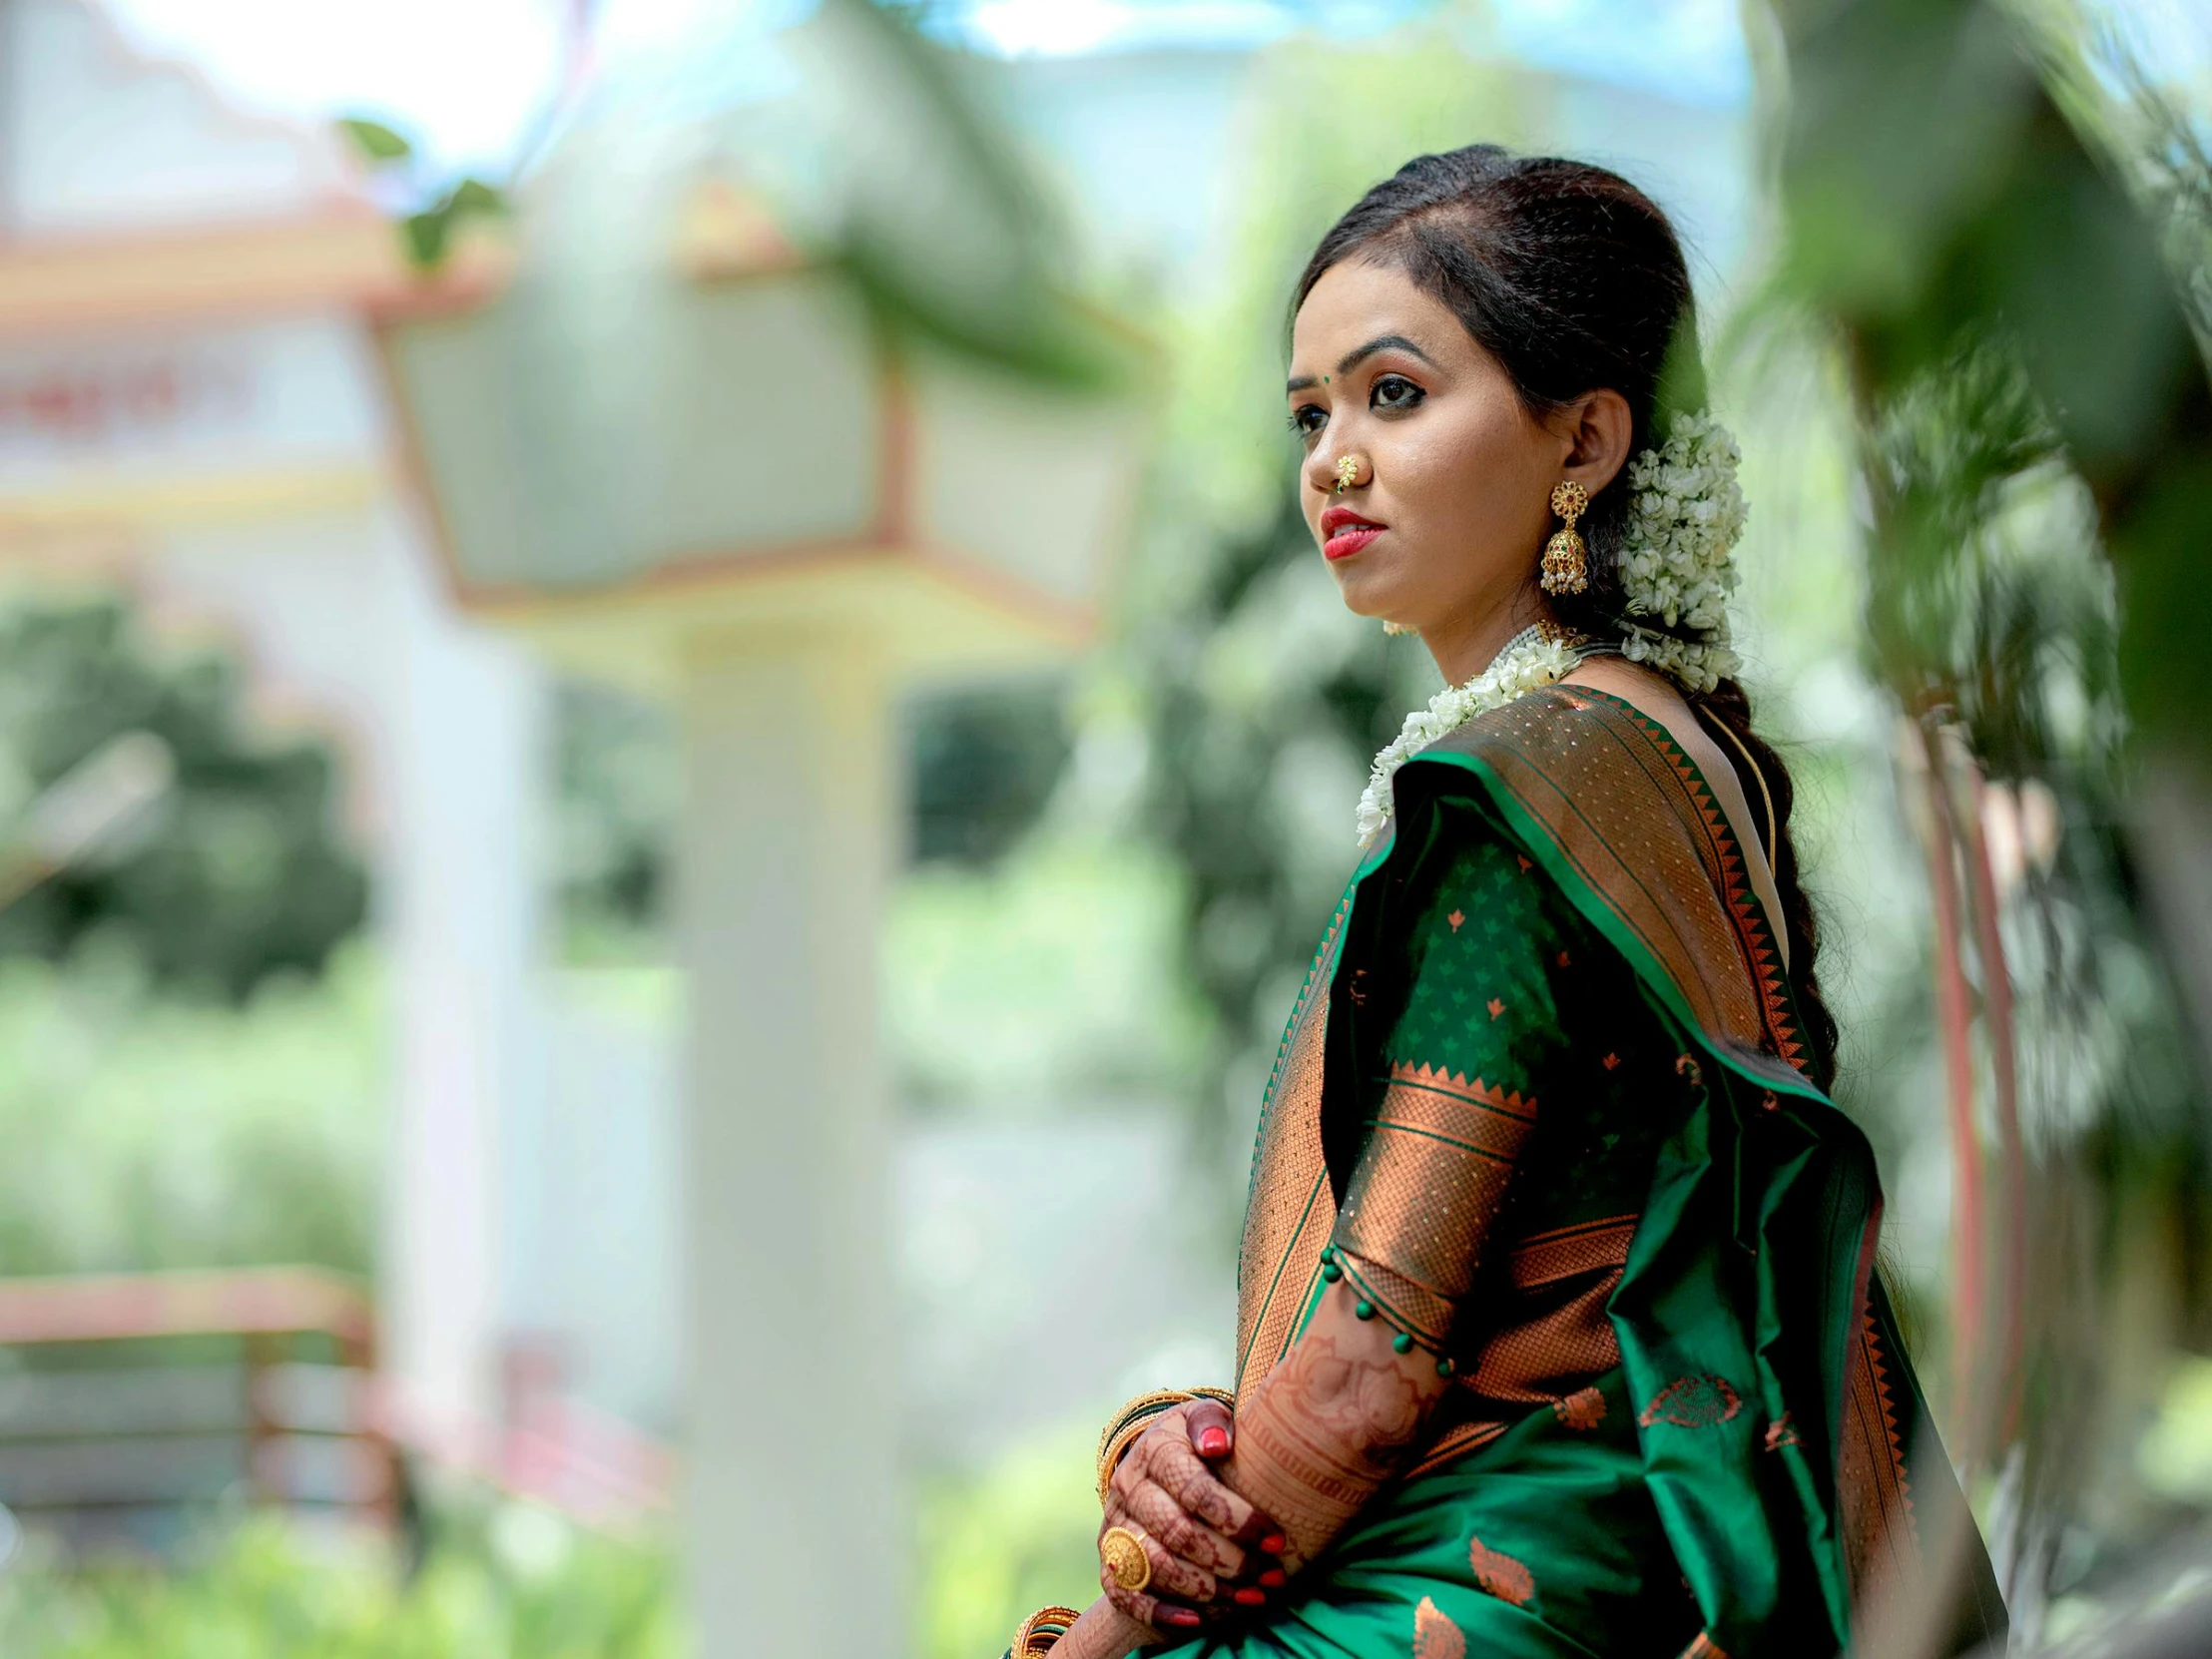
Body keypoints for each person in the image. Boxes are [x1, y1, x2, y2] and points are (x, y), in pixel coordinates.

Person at [1004, 147, 2006, 1659]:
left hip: (1484, 1591)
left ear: (1586, 439)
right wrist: (1181, 1438)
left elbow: (1368, 1374)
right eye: (1310, 412)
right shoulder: (1674, 751)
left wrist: (1105, 1633)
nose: (1334, 458)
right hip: (1622, 1568)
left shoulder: (1527, 791)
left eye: (1394, 393)